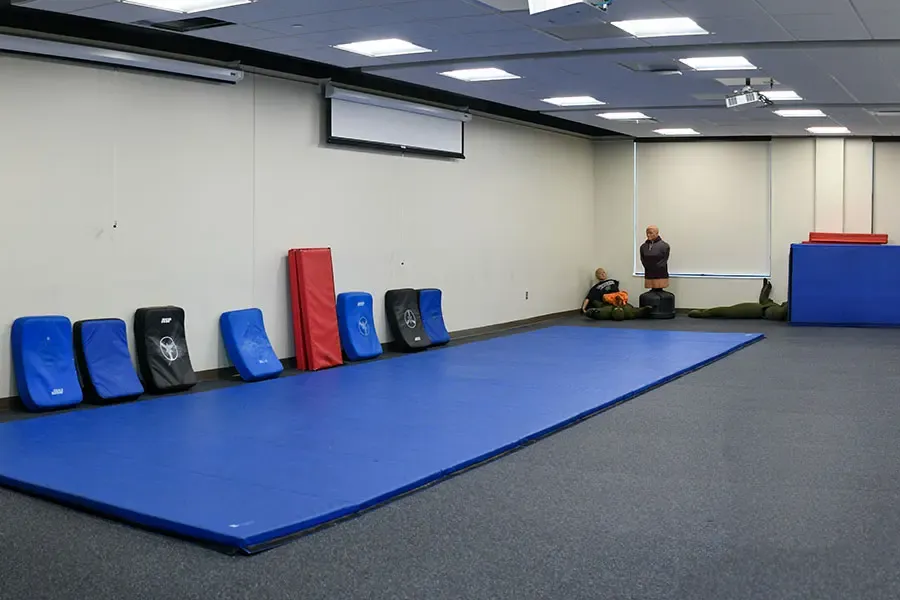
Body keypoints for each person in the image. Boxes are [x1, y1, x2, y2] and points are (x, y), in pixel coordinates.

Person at [688, 278, 788, 321]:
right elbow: (764, 299)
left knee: (729, 311)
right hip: (764, 308)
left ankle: (703, 314)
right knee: (729, 310)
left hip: (761, 311)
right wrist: (766, 288)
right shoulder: (775, 307)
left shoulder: (778, 311)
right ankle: (704, 313)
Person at [581, 268, 650, 321]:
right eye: (600, 273)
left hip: (618, 300)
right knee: (605, 312)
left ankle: (644, 311)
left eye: (603, 272)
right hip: (607, 303)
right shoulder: (595, 288)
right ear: (597, 276)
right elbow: (588, 298)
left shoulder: (612, 281)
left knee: (628, 309)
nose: (602, 274)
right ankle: (593, 313)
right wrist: (583, 309)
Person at [639, 226, 670, 290]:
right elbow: (642, 259)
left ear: (657, 233)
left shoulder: (664, 246)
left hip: (661, 275)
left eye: (651, 233)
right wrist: (647, 267)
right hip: (648, 274)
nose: (648, 235)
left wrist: (655, 268)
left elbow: (664, 260)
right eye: (647, 233)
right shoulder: (643, 246)